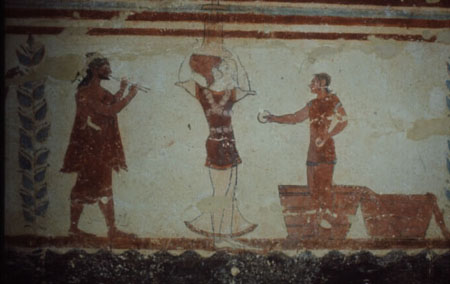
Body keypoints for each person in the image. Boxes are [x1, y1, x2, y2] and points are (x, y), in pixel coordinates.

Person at [176, 53, 257, 248]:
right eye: (228, 69)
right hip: (215, 144)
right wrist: (192, 51)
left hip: (230, 143)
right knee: (219, 192)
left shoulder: (232, 93)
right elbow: (181, 79)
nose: (232, 73)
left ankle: (225, 234)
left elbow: (248, 87)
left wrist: (238, 61)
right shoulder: (203, 92)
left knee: (229, 192)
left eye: (232, 69)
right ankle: (217, 235)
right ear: (217, 72)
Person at [61, 53, 139, 238]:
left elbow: (111, 101)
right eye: (106, 67)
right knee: (84, 186)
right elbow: (110, 110)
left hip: (101, 147)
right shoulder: (84, 92)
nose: (110, 70)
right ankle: (75, 228)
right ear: (95, 69)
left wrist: (122, 89)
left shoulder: (99, 90)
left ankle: (110, 229)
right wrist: (130, 96)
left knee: (103, 185)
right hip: (90, 148)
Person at [263, 73, 348, 228]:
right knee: (312, 186)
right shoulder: (312, 104)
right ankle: (317, 215)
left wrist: (327, 135)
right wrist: (274, 118)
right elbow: (295, 117)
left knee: (325, 185)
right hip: (313, 150)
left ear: (322, 83)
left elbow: (344, 121)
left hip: (326, 148)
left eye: (313, 82)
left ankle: (327, 215)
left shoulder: (333, 100)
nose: (310, 85)